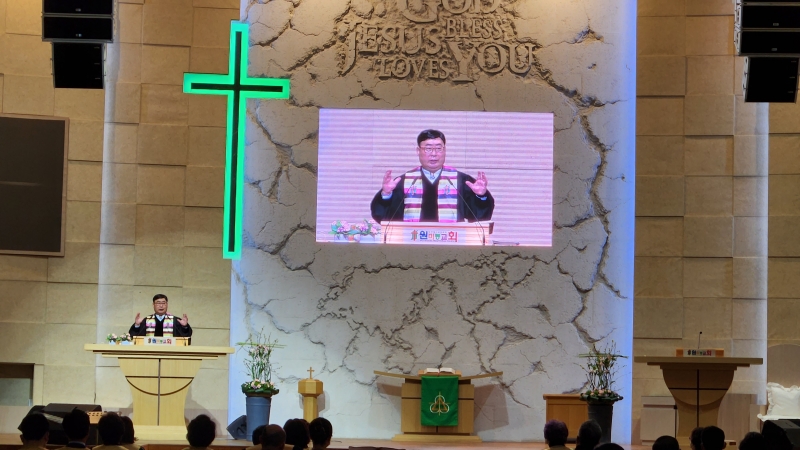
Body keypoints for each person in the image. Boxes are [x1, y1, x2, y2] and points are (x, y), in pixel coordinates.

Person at [370, 129, 495, 224]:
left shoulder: (460, 180)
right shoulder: (404, 181)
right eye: (428, 149)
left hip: (450, 243)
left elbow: (480, 218)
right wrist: (386, 195)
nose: (434, 154)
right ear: (418, 151)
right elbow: (384, 218)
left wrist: (480, 196)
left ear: (444, 150)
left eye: (439, 148)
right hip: (412, 242)